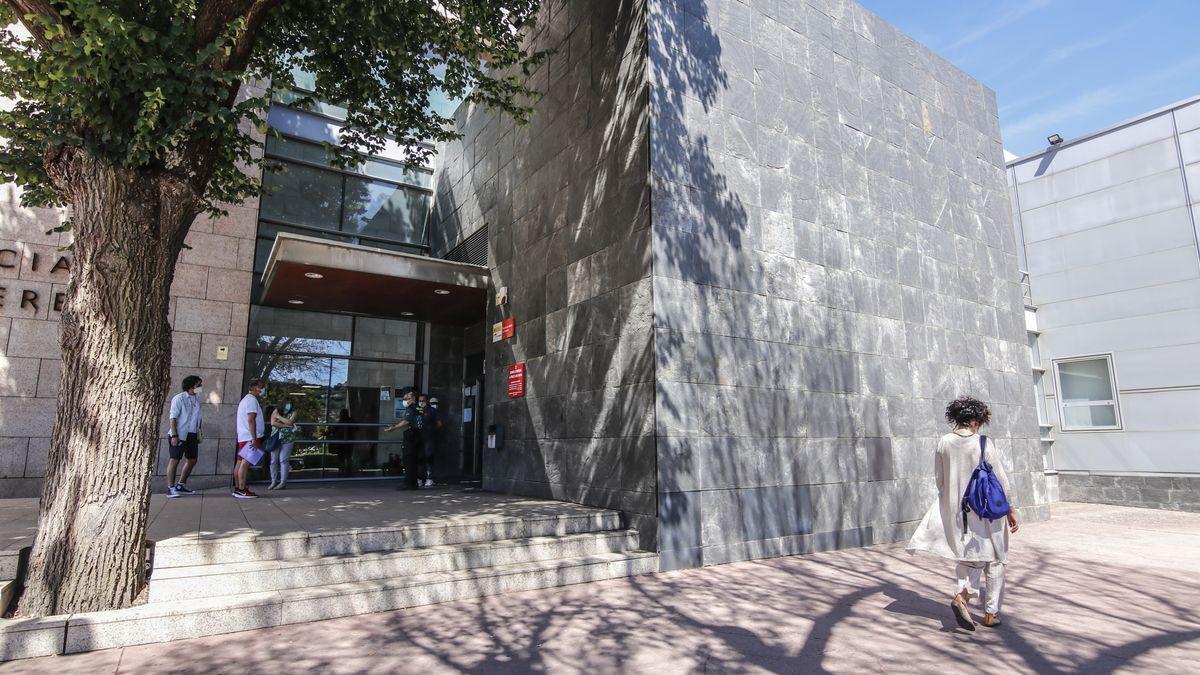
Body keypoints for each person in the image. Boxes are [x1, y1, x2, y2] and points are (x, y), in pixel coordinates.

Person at [907, 395, 1020, 631]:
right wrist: (1011, 508)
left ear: (956, 418)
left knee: (971, 559)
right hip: (988, 509)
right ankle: (990, 613)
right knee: (997, 558)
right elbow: (1001, 478)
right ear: (977, 419)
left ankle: (962, 596)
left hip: (960, 511)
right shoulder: (983, 443)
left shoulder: (944, 442)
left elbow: (940, 480)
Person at [166, 375, 203, 498]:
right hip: (179, 434)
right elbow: (173, 417)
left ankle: (181, 484)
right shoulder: (179, 398)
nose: (201, 387)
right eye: (199, 385)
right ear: (191, 386)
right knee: (175, 460)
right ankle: (170, 488)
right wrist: (174, 435)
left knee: (192, 459)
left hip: (192, 435)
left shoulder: (197, 400)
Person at [233, 378, 267, 499]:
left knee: (240, 462)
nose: (263, 389)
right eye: (261, 386)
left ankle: (238, 488)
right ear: (254, 388)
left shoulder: (246, 400)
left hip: (244, 436)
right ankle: (242, 489)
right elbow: (251, 420)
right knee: (245, 463)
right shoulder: (251, 401)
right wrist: (254, 439)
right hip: (250, 437)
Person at [384, 389, 420, 490]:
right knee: (413, 461)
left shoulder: (411, 408)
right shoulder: (418, 408)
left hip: (411, 436)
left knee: (408, 460)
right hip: (417, 436)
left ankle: (408, 483)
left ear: (411, 397)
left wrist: (394, 427)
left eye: (406, 398)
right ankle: (413, 483)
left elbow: (406, 421)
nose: (404, 401)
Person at [269, 396, 298, 490]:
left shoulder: (294, 412)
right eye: (287, 403)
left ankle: (282, 482)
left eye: (290, 403)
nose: (288, 405)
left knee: (283, 460)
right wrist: (285, 425)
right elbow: (273, 423)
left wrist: (279, 417)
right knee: (273, 460)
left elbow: (290, 422)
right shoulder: (276, 411)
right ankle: (273, 481)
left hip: (288, 439)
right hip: (276, 438)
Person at [418, 394, 443, 488]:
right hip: (419, 437)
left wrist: (431, 430)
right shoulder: (418, 410)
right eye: (420, 400)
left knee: (429, 457)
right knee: (420, 458)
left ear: (427, 401)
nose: (421, 402)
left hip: (429, 438)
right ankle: (419, 478)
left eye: (423, 400)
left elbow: (439, 423)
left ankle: (429, 478)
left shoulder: (431, 411)